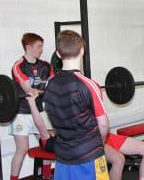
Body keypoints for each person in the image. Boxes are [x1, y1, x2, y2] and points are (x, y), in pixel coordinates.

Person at [28, 91, 144, 180]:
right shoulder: (48, 142)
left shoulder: (64, 125)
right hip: (91, 142)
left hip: (103, 135)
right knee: (119, 159)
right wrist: (32, 103)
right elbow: (39, 124)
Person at [43, 30, 109, 180]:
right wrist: (100, 142)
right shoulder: (89, 85)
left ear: (58, 54)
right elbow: (103, 125)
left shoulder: (50, 84)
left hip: (62, 158)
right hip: (89, 156)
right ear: (82, 50)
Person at [9, 33, 54, 180]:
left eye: (42, 46)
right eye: (39, 46)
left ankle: (47, 177)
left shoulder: (46, 66)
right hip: (21, 113)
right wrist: (45, 91)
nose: (42, 49)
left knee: (48, 145)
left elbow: (54, 87)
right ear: (28, 47)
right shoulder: (18, 66)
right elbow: (30, 91)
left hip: (39, 111)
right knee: (22, 149)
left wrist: (47, 92)